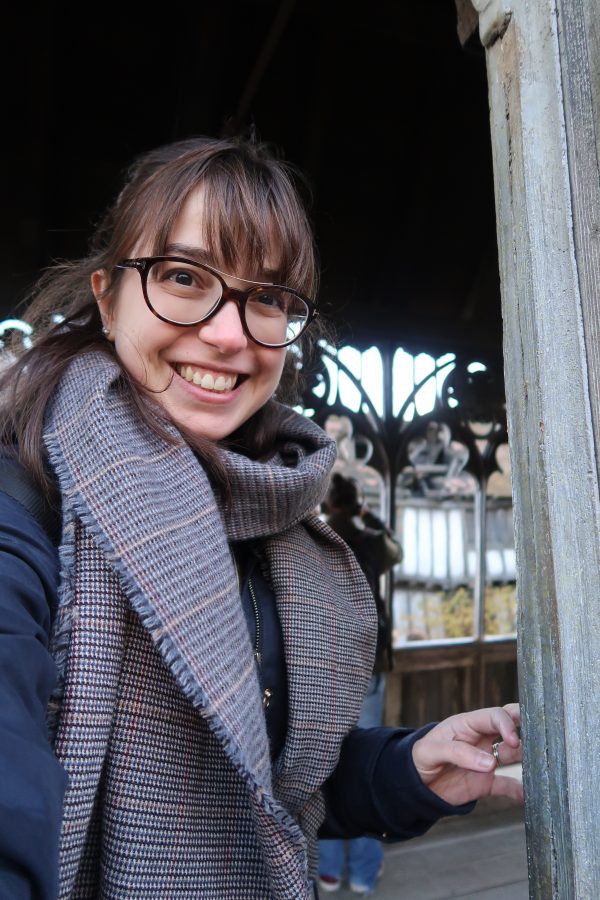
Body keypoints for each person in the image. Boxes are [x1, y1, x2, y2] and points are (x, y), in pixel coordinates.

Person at [0, 134, 523, 900]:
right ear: (108, 299)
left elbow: (264, 785)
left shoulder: (280, 526)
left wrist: (404, 769)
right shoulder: (24, 504)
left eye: (268, 298)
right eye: (183, 277)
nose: (230, 334)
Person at [318, 472, 402, 895]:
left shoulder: (315, 539)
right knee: (367, 762)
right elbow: (396, 550)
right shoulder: (369, 542)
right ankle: (365, 871)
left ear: (327, 505)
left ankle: (328, 868)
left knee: (325, 765)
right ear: (355, 504)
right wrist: (369, 516)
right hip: (367, 664)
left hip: (323, 666)